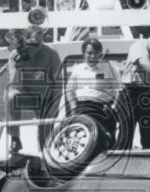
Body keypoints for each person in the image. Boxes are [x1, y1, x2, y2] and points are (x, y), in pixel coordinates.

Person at [6, 25, 62, 153]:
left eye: (39, 43)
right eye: (32, 44)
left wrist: (56, 104)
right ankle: (15, 138)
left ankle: (44, 151)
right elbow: (15, 85)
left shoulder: (50, 53)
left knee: (46, 141)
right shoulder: (15, 55)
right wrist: (19, 65)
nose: (36, 47)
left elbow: (58, 81)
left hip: (46, 97)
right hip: (27, 95)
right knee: (11, 96)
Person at [64, 37, 122, 143]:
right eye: (89, 53)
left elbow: (119, 90)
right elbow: (69, 90)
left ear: (100, 53)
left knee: (106, 141)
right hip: (82, 108)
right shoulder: (77, 69)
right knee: (83, 141)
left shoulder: (110, 68)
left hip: (104, 109)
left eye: (96, 53)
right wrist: (73, 107)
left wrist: (114, 108)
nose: (92, 56)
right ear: (83, 53)